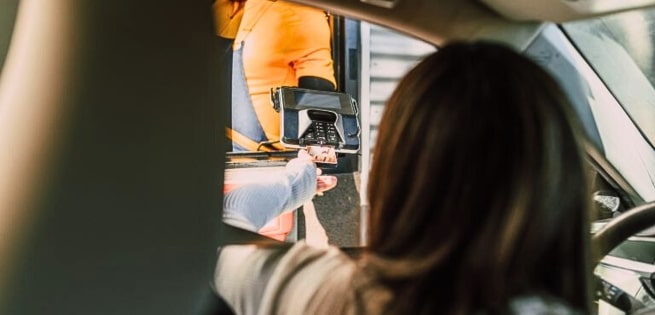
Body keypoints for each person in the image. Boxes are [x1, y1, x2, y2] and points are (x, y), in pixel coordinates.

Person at [214, 41, 593, 314]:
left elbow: (220, 228)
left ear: (394, 178)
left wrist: (300, 179)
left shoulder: (321, 293)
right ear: (563, 187)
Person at [214, 0, 337, 151]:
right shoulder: (223, 8)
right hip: (219, 148)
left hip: (264, 159)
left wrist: (316, 154)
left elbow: (320, 93)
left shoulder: (300, 12)